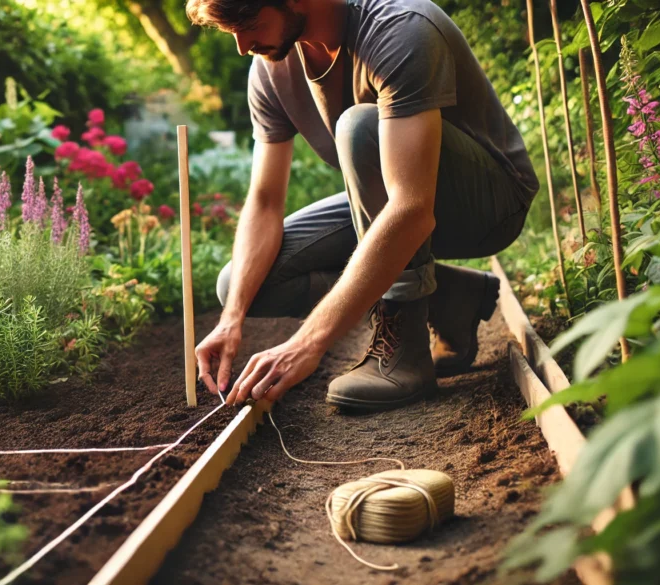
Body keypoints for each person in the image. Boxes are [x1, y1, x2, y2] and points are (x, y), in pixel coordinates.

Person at [186, 0, 539, 411]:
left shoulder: (397, 29)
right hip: (402, 199)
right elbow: (265, 204)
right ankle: (451, 296)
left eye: (248, 24)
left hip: (488, 204)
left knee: (359, 127)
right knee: (240, 286)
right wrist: (231, 319)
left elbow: (411, 207)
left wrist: (308, 342)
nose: (242, 46)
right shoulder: (272, 68)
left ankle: (404, 354)